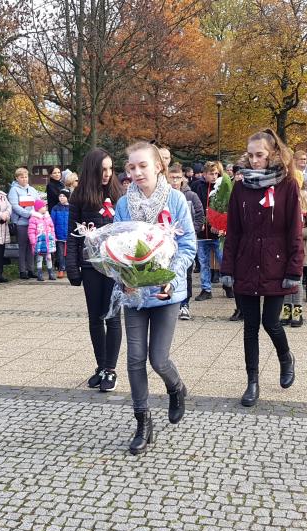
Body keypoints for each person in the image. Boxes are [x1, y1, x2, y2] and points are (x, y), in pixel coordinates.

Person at [114, 141, 196, 455]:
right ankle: (142, 422)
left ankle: (176, 388)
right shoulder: (124, 204)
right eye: (131, 167)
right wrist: (123, 275)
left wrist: (171, 279)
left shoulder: (175, 201)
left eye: (142, 166)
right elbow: (119, 246)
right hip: (135, 293)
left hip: (166, 292)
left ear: (158, 166)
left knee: (158, 359)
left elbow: (187, 246)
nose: (136, 172)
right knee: (135, 358)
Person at [221, 129, 303, 408]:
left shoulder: (288, 185)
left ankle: (285, 356)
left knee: (271, 321)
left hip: (276, 263)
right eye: (251, 155)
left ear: (273, 155)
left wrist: (294, 269)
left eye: (261, 155)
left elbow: (294, 230)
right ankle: (252, 381)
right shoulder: (241, 187)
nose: (255, 161)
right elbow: (232, 231)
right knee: (250, 327)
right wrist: (227, 267)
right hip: (245, 263)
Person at [67, 148, 124, 393]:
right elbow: (72, 235)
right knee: (94, 318)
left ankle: (110, 369)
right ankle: (100, 366)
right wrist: (72, 266)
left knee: (112, 316)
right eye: (103, 169)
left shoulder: (119, 194)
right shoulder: (79, 196)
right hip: (90, 266)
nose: (107, 174)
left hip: (113, 266)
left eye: (110, 169)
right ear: (92, 169)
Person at [280, 171, 307, 327]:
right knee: (284, 281)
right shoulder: (280, 200)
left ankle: (297, 312)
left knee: (297, 281)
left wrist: (298, 233)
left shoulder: (306, 202)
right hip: (282, 248)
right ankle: (286, 310)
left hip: (299, 247)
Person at [167, 163, 203, 321]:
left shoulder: (191, 196)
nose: (175, 181)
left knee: (186, 273)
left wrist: (192, 230)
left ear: (182, 178)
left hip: (185, 240)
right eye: (172, 177)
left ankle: (184, 304)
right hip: (167, 243)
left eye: (177, 177)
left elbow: (200, 215)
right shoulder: (165, 196)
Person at [190, 161, 223, 300]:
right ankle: (206, 289)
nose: (214, 176)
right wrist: (199, 222)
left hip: (218, 232)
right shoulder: (197, 186)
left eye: (216, 173)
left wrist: (223, 225)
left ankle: (228, 285)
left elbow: (225, 207)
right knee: (204, 262)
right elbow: (195, 207)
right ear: (204, 174)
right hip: (203, 232)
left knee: (223, 260)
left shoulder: (222, 186)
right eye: (211, 173)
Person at [8, 167, 39, 279]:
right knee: (22, 247)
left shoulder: (32, 190)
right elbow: (15, 206)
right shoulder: (14, 190)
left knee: (32, 246)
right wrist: (28, 214)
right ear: (17, 178)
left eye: (26, 177)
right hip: (21, 222)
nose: (24, 179)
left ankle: (31, 269)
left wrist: (37, 213)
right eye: (21, 177)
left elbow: (38, 203)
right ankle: (22, 270)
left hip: (33, 222)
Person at [28, 198, 57, 281]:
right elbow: (31, 231)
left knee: (49, 256)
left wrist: (53, 237)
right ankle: (39, 273)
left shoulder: (48, 217)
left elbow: (52, 228)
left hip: (49, 240)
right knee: (39, 257)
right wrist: (33, 241)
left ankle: (50, 272)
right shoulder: (33, 219)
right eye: (44, 206)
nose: (46, 208)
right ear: (39, 208)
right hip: (39, 241)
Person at [50, 189, 70, 278]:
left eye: (64, 196)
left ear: (68, 197)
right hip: (59, 234)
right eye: (60, 196)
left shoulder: (71, 208)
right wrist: (53, 234)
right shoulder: (55, 208)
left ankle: (70, 269)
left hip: (69, 235)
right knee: (60, 253)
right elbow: (52, 222)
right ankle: (61, 269)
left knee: (70, 253)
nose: (61, 198)